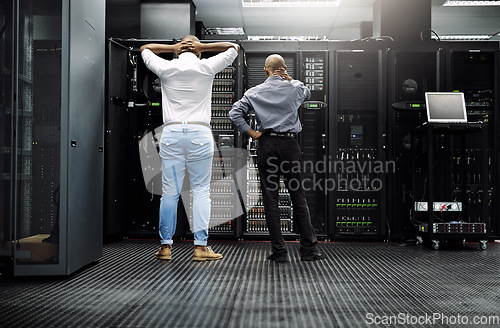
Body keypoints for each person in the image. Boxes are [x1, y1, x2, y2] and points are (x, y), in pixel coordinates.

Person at [140, 36, 239, 261]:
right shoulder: (206, 66)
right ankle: (201, 248)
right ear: (199, 52)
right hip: (199, 133)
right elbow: (234, 48)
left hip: (172, 133)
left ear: (178, 52)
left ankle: (165, 247)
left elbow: (145, 48)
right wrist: (203, 47)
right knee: (201, 191)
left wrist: (171, 48)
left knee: (170, 193)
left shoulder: (165, 67)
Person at [229, 54, 324, 262]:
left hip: (267, 145)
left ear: (266, 70)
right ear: (283, 69)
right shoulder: (294, 88)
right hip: (290, 145)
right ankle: (309, 250)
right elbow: (307, 93)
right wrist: (290, 79)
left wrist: (252, 133)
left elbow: (234, 113)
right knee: (298, 197)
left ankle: (279, 252)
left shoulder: (254, 92)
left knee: (270, 199)